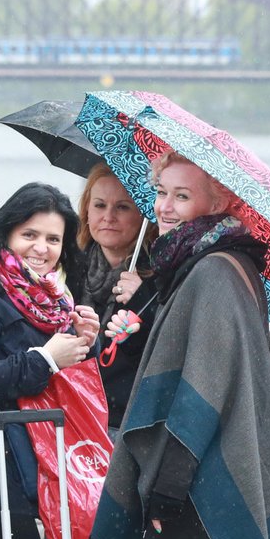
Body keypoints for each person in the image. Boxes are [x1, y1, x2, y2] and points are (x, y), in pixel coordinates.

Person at [87, 151, 270, 539]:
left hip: (201, 486)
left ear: (216, 204)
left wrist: (165, 492)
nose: (164, 207)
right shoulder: (208, 265)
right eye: (160, 192)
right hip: (203, 477)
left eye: (181, 196)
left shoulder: (213, 273)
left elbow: (201, 394)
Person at [0, 182, 101, 539]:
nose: (40, 248)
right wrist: (45, 359)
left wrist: (88, 343)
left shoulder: (58, 296)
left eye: (52, 239)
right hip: (0, 458)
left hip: (56, 454)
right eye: (29, 235)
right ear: (7, 233)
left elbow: (77, 382)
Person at [77, 162, 159, 436]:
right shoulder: (65, 265)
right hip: (70, 410)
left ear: (143, 216)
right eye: (99, 205)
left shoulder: (158, 279)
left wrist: (144, 300)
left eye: (122, 207)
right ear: (86, 210)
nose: (108, 216)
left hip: (122, 421)